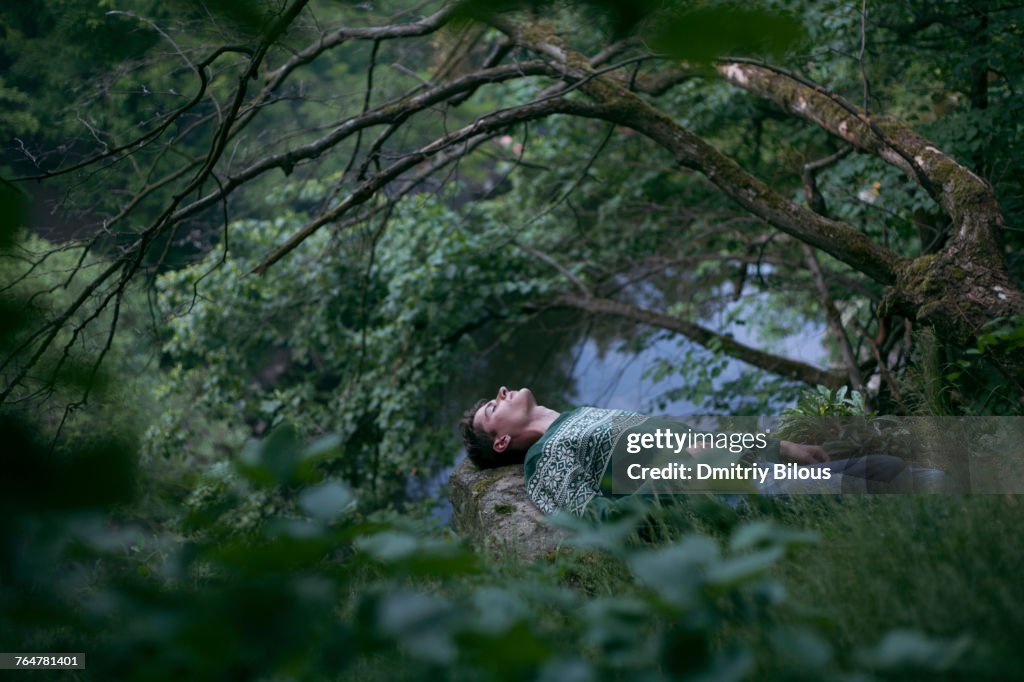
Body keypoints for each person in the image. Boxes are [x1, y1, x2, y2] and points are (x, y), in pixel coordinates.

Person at [459, 386, 920, 516]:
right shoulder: (545, 460)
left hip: (740, 472)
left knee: (885, 468)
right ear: (501, 442)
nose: (501, 391)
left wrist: (778, 445)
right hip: (721, 497)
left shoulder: (580, 415)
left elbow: (685, 443)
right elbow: (599, 517)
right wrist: (672, 484)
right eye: (491, 407)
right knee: (887, 484)